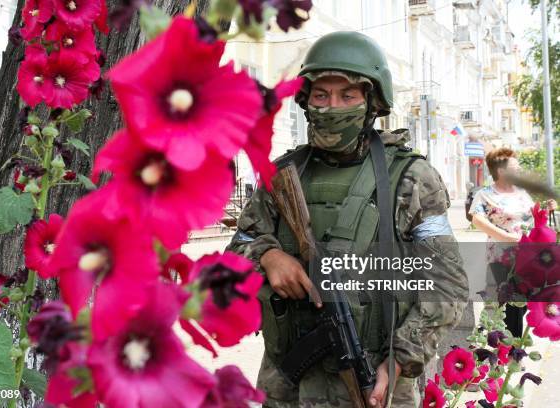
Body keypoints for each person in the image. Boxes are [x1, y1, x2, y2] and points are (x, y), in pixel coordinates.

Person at [227, 32, 468, 408]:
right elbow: (236, 249)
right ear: (306, 101)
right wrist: (268, 257)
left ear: (372, 102)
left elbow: (448, 285)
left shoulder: (412, 178)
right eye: (321, 95)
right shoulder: (281, 177)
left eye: (348, 95)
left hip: (377, 384)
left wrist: (399, 359)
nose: (332, 106)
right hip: (289, 389)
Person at [468, 148, 534, 337]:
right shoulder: (485, 194)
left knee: (524, 302)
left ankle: (503, 341)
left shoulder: (522, 193)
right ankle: (512, 352)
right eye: (515, 167)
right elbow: (477, 220)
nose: (519, 170)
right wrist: (506, 237)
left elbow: (532, 217)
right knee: (512, 304)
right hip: (502, 257)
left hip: (527, 255)